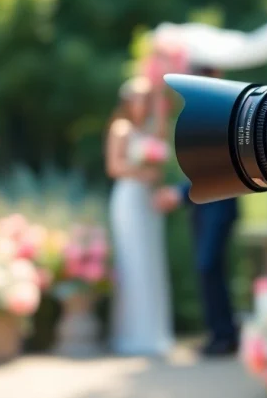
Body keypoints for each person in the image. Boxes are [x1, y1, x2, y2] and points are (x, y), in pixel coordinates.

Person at [154, 68, 240, 357]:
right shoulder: (202, 117)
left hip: (220, 205)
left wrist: (179, 194)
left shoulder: (225, 116)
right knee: (208, 271)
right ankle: (220, 334)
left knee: (208, 266)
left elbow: (217, 166)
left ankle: (224, 334)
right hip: (203, 208)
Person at [106, 76, 175, 357]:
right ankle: (132, 334)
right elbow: (114, 166)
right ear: (127, 101)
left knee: (151, 262)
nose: (143, 104)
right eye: (140, 98)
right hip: (129, 199)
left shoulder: (147, 130)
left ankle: (153, 333)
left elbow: (159, 138)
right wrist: (142, 172)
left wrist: (160, 102)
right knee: (132, 262)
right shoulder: (120, 129)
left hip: (148, 200)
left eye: (147, 99)